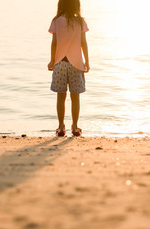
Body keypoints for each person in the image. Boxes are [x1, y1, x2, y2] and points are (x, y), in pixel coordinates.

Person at [47, 0, 89, 137]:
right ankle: (75, 127)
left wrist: (52, 61)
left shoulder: (56, 21)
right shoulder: (80, 21)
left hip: (60, 63)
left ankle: (60, 127)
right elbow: (83, 42)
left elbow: (54, 43)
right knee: (75, 97)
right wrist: (87, 61)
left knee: (61, 96)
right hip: (76, 63)